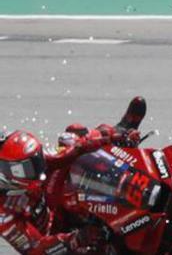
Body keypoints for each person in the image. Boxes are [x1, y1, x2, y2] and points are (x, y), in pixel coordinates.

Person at [0, 102, 144, 255]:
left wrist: (111, 137)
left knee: (73, 135)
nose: (39, 167)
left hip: (53, 201)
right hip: (55, 238)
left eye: (37, 158)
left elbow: (73, 150)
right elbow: (35, 249)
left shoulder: (34, 163)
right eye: (30, 166)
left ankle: (122, 131)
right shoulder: (4, 216)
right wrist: (76, 239)